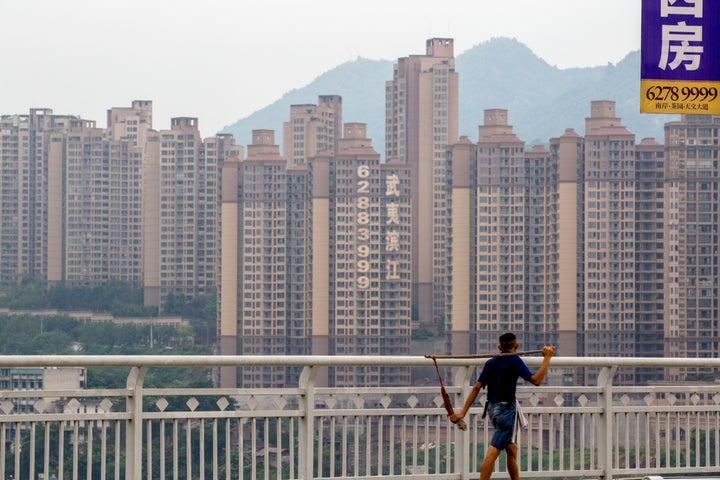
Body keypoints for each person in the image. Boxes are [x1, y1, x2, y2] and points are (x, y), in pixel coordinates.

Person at [450, 333, 555, 480]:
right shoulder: (514, 360)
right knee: (493, 451)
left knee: (511, 449)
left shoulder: (491, 362)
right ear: (516, 346)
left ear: (499, 347)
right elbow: (536, 380)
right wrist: (547, 358)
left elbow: (476, 388)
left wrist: (463, 412)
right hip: (506, 413)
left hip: (492, 410)